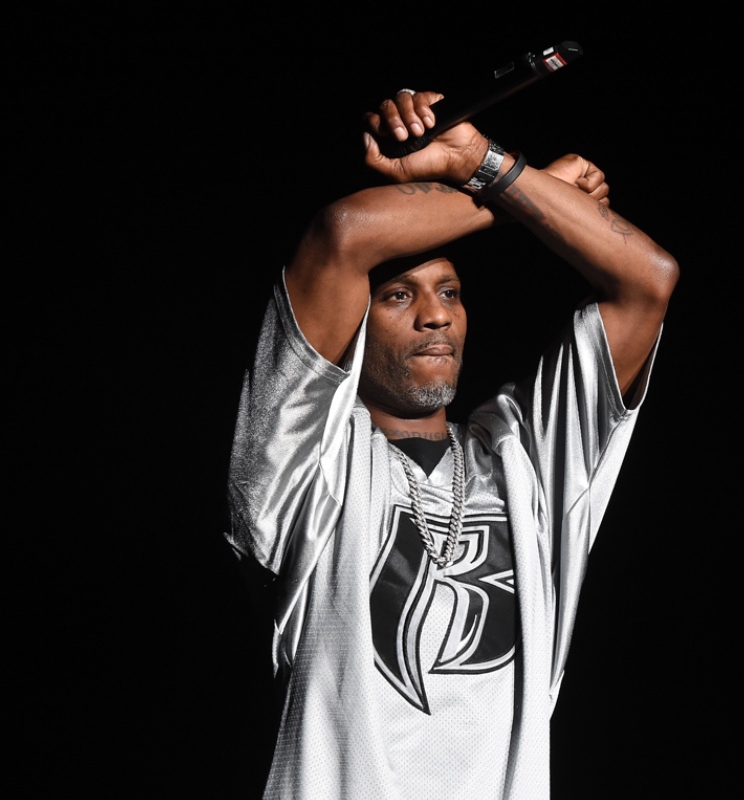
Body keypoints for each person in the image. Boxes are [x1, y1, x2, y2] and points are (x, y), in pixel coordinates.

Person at [226, 84, 679, 799]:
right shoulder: (304, 460)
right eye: (398, 295)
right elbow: (343, 235)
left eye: (450, 292)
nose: (436, 316)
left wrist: (479, 159)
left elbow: (648, 281)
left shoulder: (523, 457)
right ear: (356, 320)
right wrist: (529, 188)